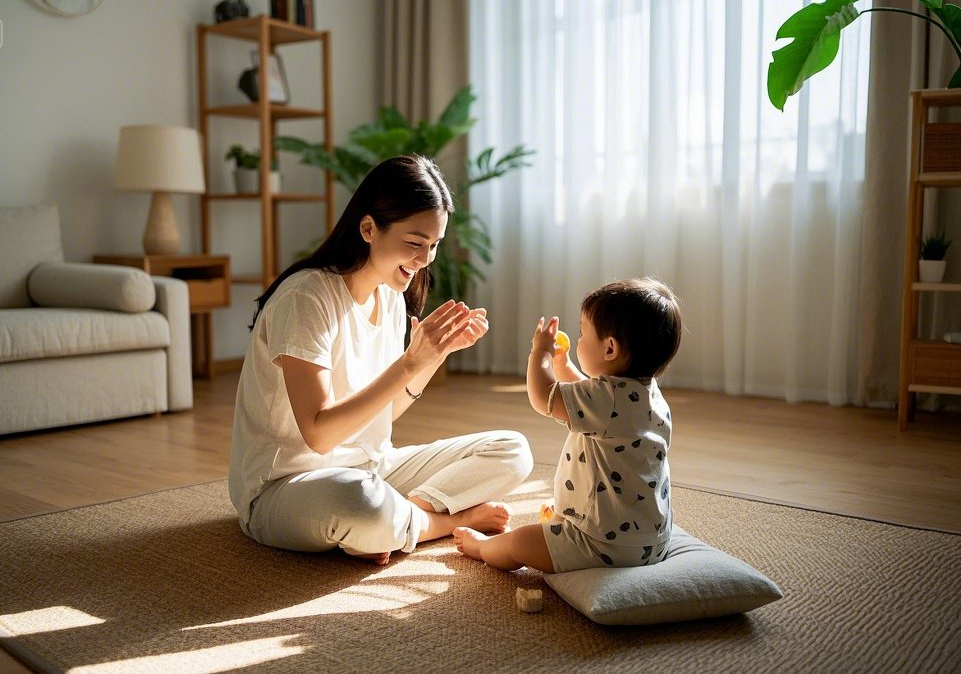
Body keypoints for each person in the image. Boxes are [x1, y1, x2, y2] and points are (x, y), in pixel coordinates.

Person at [228, 155, 534, 565]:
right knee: (359, 500)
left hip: (372, 468)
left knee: (513, 449)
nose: (425, 260)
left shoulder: (389, 298)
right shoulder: (306, 297)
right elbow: (319, 434)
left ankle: (402, 520)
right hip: (284, 487)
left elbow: (382, 415)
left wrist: (431, 357)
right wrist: (409, 364)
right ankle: (438, 522)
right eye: (414, 243)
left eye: (434, 245)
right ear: (369, 228)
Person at [453, 278, 682, 573]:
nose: (578, 339)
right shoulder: (646, 396)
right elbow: (585, 397)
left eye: (582, 333)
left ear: (610, 349)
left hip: (602, 544)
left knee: (520, 542)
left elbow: (543, 397)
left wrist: (541, 354)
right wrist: (563, 363)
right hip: (651, 541)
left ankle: (482, 546)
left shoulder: (605, 399)